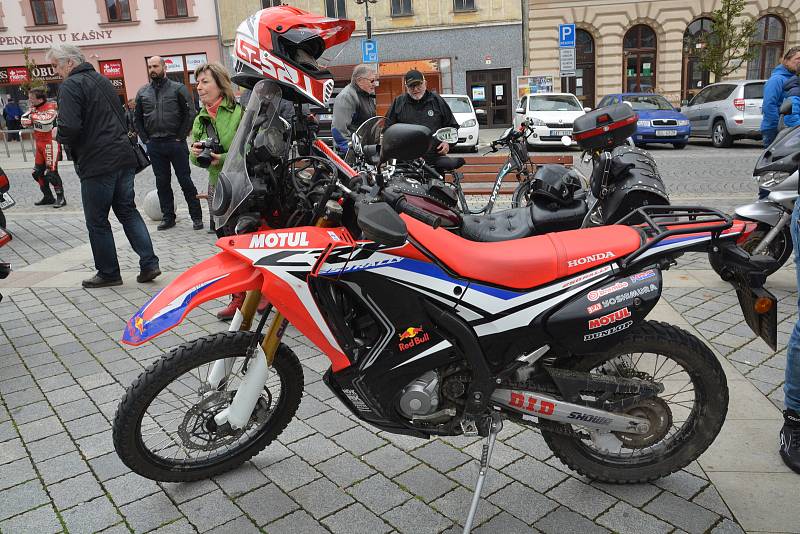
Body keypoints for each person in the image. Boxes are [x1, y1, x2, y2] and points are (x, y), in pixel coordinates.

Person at [46, 44, 160, 289]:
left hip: (97, 161)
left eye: (56, 65)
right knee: (128, 211)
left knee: (97, 220)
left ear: (69, 63)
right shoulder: (102, 80)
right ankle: (149, 263)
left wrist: (58, 132)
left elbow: (72, 127)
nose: (55, 70)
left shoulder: (70, 86)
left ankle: (108, 272)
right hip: (122, 156)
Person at [187, 62, 264, 320]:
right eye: (197, 83)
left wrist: (225, 158)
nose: (199, 87)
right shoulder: (201, 118)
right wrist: (197, 154)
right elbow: (196, 159)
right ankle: (238, 297)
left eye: (204, 82)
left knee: (244, 239)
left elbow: (250, 148)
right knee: (225, 243)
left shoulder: (239, 112)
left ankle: (259, 293)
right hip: (216, 185)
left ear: (220, 84)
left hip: (240, 183)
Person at [134, 56, 203, 231]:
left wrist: (180, 136)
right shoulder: (143, 93)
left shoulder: (178, 89)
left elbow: (190, 113)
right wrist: (146, 139)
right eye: (150, 67)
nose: (152, 69)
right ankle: (168, 217)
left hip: (175, 143)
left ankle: (196, 216)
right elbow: (137, 119)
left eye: (155, 66)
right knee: (162, 183)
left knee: (185, 180)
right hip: (155, 145)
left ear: (164, 67)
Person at [384, 69, 459, 168]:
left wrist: (447, 143)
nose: (415, 89)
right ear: (406, 87)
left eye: (418, 84)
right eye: (411, 86)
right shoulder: (398, 103)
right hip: (406, 161)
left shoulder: (437, 101)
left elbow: (452, 126)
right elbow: (388, 129)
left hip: (433, 158)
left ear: (425, 83)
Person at [21, 88, 66, 207]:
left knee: (51, 173)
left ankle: (61, 198)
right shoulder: (34, 108)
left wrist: (33, 116)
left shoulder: (51, 107)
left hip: (51, 143)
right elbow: (23, 121)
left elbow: (46, 120)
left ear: (40, 99)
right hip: (39, 143)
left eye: (31, 98)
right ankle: (48, 197)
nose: (29, 100)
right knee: (37, 173)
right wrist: (34, 116)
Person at [332, 64, 378, 153]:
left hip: (365, 150)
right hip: (352, 154)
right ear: (359, 80)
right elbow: (338, 130)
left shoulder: (366, 96)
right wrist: (352, 151)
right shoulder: (347, 97)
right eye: (372, 81)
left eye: (375, 81)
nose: (374, 84)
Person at [761, 47, 800, 147]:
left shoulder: (794, 79)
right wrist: (777, 128)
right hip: (775, 130)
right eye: (798, 58)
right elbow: (769, 105)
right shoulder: (777, 79)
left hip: (788, 129)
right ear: (786, 61)